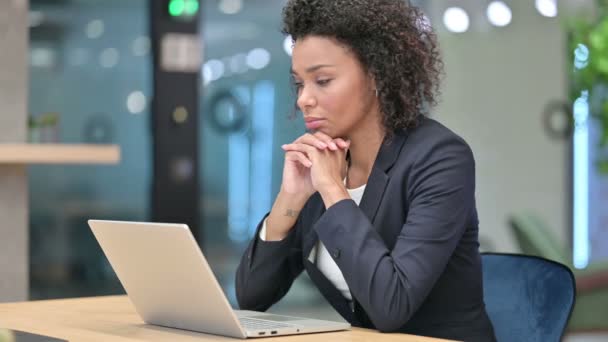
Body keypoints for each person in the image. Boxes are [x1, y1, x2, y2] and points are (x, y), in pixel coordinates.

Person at [235, 0, 496, 340]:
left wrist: (333, 191)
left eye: (323, 80)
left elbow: (391, 306)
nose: (303, 99)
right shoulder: (324, 159)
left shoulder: (440, 158)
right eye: (300, 83)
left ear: (377, 74)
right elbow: (252, 296)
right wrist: (291, 199)